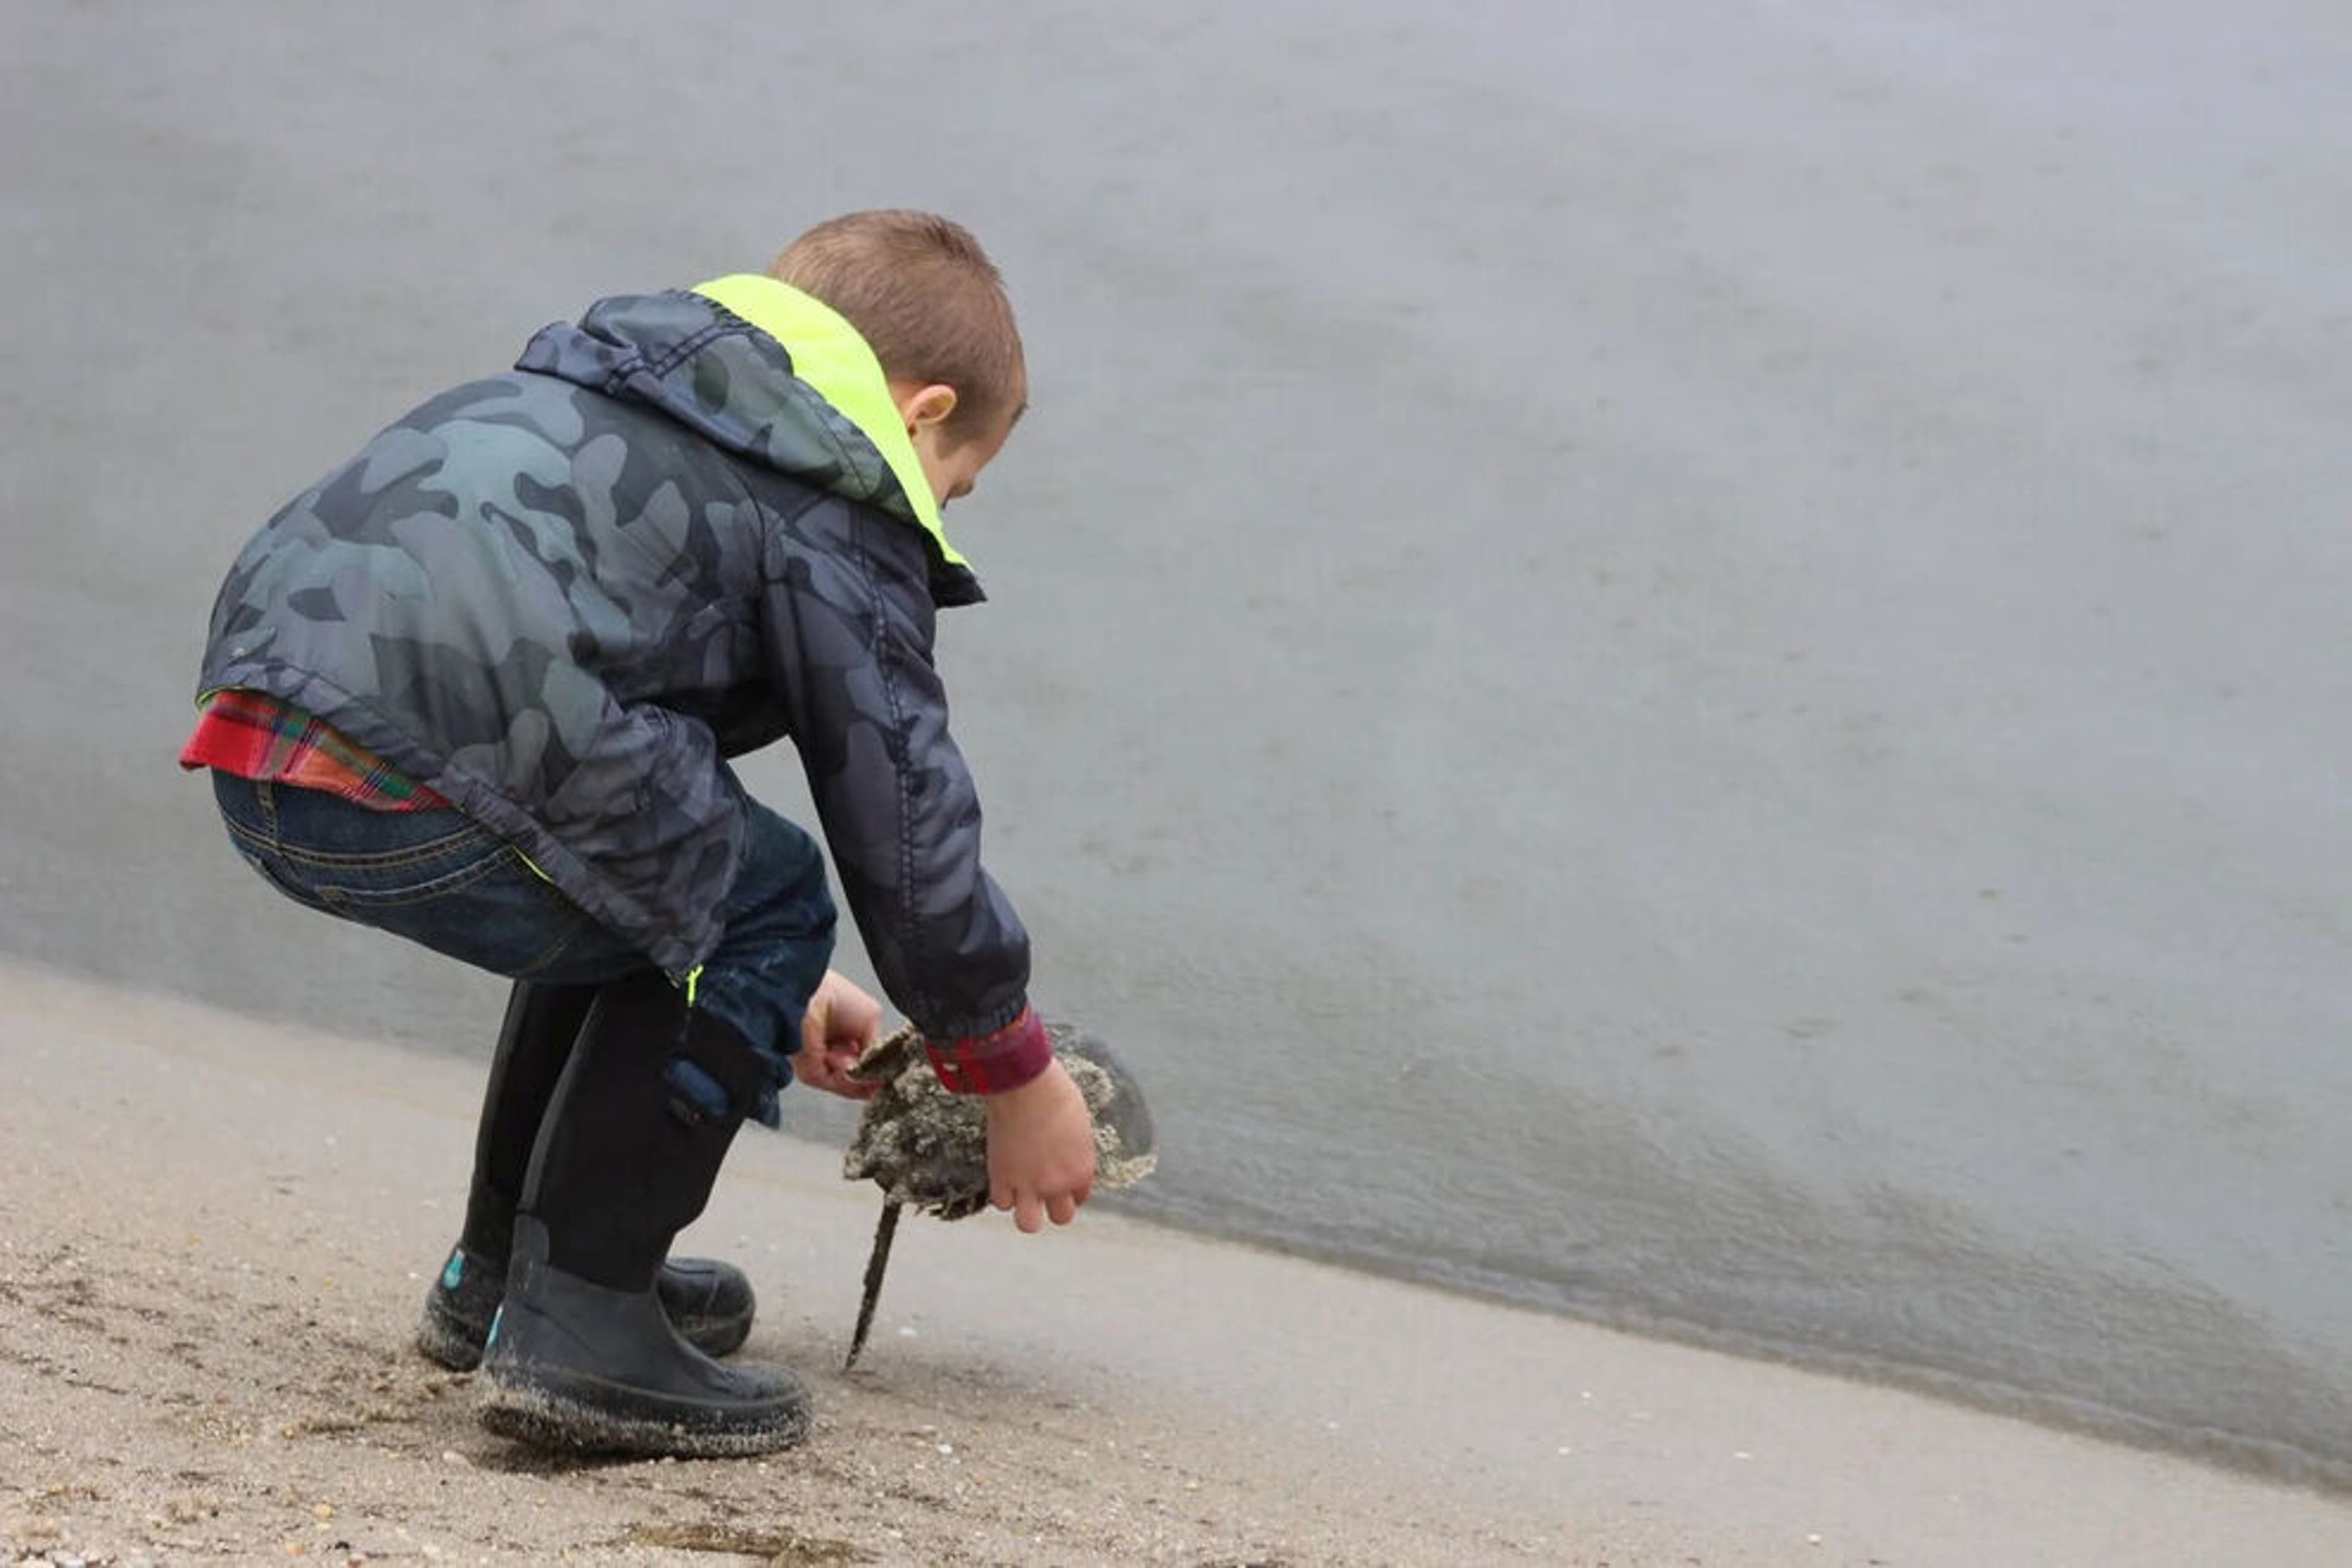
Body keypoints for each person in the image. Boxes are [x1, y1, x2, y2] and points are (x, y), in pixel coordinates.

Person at [178, 211, 1098, 1459]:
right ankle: (584, 1321)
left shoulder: (625, 380)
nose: (935, 506)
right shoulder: (835, 492)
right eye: (955, 481)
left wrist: (770, 991)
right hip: (435, 752)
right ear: (922, 410)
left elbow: (615, 813)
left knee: (690, 911)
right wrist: (1010, 1064)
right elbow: (905, 824)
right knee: (774, 897)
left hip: (264, 732)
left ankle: (498, 1280)